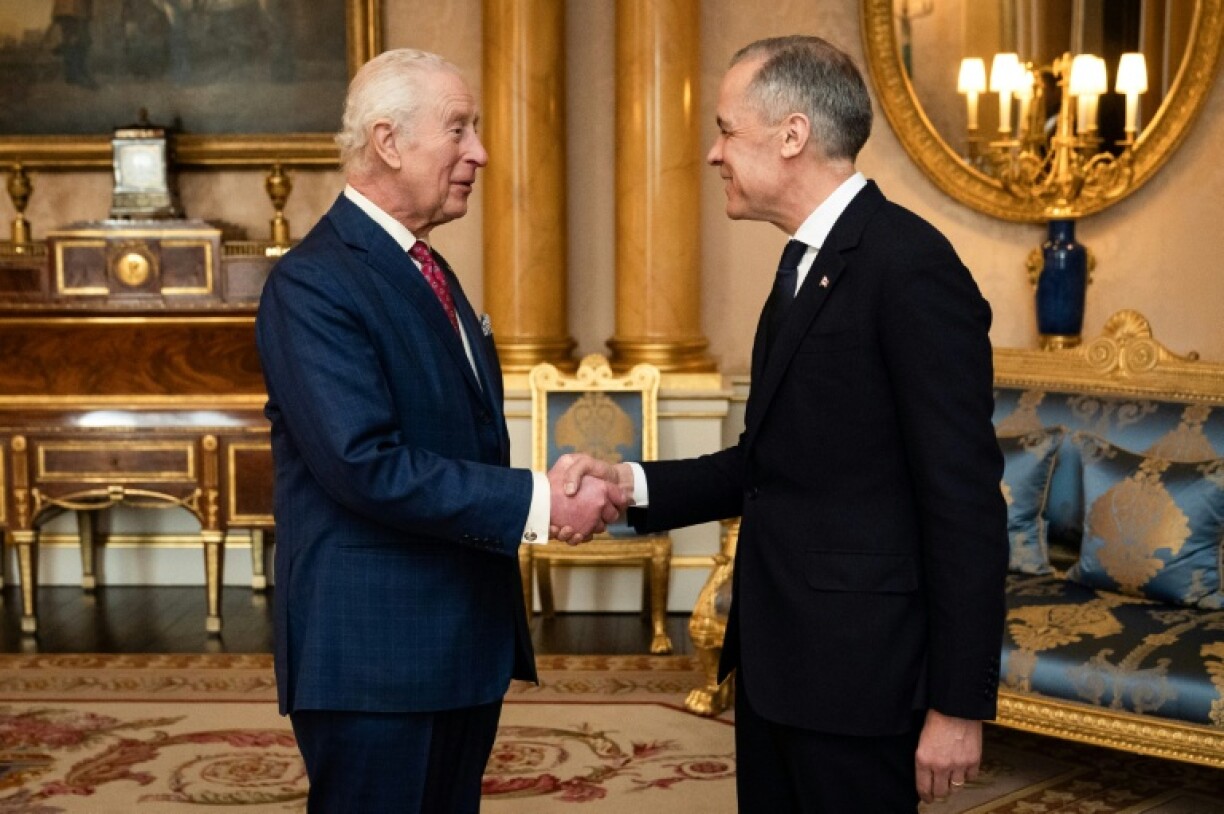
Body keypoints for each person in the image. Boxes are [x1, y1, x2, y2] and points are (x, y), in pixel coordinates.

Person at [557, 35, 1009, 811]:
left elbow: (964, 501)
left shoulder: (909, 268)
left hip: (859, 681)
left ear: (792, 135)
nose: (711, 153)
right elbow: (765, 464)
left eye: (728, 129)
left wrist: (958, 704)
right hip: (779, 667)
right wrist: (625, 482)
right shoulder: (802, 264)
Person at [255, 48, 624, 814]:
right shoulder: (314, 283)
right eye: (459, 129)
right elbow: (365, 463)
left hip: (455, 639)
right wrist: (538, 502)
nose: (479, 153)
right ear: (388, 142)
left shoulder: (428, 268)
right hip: (374, 655)